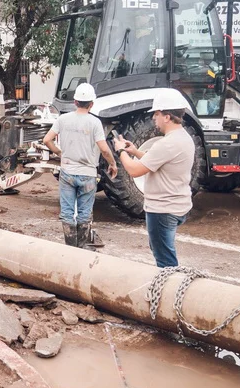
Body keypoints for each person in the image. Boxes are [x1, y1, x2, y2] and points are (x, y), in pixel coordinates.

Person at [112, 90, 195, 268]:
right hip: (177, 205)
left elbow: (134, 170)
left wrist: (120, 151)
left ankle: (169, 283)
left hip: (162, 209)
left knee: (165, 259)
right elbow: (158, 162)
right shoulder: (184, 138)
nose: (153, 118)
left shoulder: (167, 144)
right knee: (164, 249)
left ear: (167, 117)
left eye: (156, 114)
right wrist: (135, 152)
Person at [43, 83, 118, 249]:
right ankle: (82, 247)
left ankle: (70, 248)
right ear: (92, 104)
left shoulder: (63, 119)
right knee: (84, 213)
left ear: (75, 102)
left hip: (67, 172)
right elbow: (104, 149)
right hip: (88, 174)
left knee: (67, 212)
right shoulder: (95, 122)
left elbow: (47, 140)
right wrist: (112, 164)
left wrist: (59, 153)